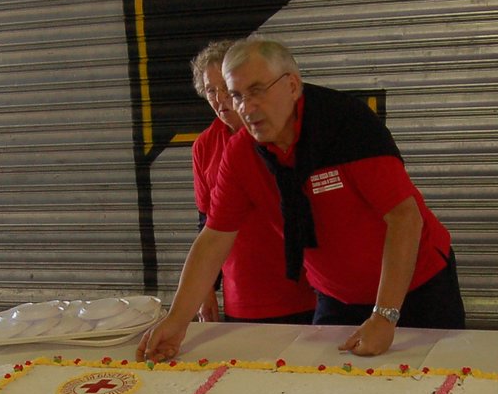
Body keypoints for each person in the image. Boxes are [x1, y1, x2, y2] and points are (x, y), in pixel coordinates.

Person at [140, 36, 462, 360]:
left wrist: (385, 315)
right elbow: (213, 238)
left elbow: (404, 218)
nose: (245, 108)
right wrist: (177, 321)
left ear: (292, 85)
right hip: (337, 299)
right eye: (236, 95)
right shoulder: (240, 152)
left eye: (257, 91)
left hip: (418, 289)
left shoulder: (346, 124)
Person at [188, 39, 315, 324]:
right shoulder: (204, 146)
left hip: (301, 288)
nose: (220, 99)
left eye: (226, 89)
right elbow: (206, 223)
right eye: (211, 90)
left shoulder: (281, 133)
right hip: (242, 294)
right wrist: (206, 289)